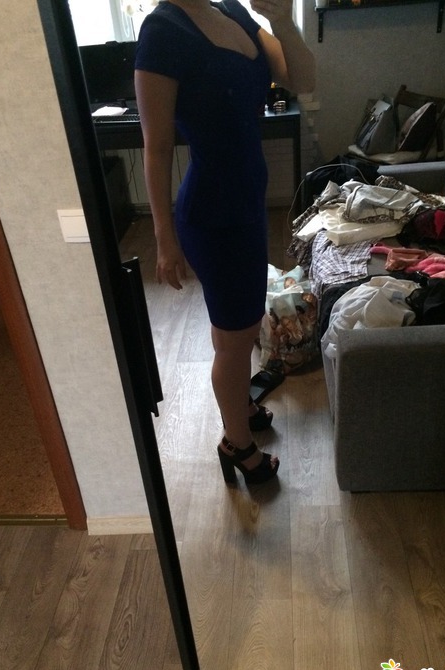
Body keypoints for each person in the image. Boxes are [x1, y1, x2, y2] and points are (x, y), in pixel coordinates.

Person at [135, 0, 315, 485]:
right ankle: (237, 443)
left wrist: (282, 19)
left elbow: (303, 79)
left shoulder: (234, 12)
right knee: (236, 342)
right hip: (214, 215)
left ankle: (241, 408)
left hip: (246, 205)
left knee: (235, 326)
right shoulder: (163, 30)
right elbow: (156, 148)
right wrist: (164, 238)